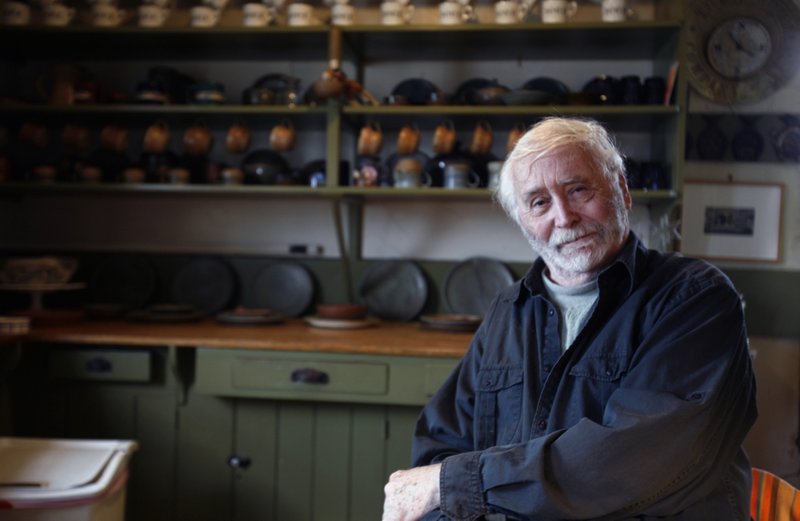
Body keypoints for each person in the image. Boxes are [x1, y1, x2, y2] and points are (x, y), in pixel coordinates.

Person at [382, 117, 757, 521]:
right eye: (539, 202)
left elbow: (637, 462)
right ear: (523, 221)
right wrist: (447, 492)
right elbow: (440, 450)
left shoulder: (694, 297)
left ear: (622, 190)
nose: (564, 217)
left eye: (578, 189)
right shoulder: (509, 310)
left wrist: (459, 484)